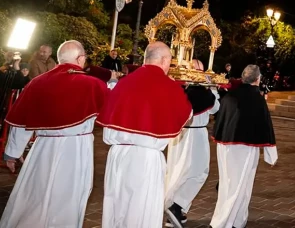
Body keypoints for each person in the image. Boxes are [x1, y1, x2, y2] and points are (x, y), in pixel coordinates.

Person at [0, 40, 108, 228]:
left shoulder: (37, 82)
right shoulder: (93, 84)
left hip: (42, 148)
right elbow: (114, 111)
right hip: (76, 149)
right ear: (81, 58)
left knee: (36, 193)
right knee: (70, 196)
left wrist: (13, 153)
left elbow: (21, 121)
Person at [97, 41, 192, 228]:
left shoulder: (124, 82)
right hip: (146, 159)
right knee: (142, 211)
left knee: (116, 206)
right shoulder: (167, 85)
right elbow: (187, 117)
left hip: (117, 155)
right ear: (164, 60)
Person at [210, 64, 277, 228]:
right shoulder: (257, 99)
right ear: (258, 79)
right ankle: (221, 223)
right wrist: (271, 153)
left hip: (225, 146)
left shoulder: (231, 96)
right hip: (245, 148)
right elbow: (265, 125)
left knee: (229, 183)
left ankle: (238, 220)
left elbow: (221, 118)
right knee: (239, 186)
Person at [164, 84, 220, 228]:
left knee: (176, 171)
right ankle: (176, 205)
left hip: (178, 135)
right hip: (196, 136)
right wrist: (214, 90)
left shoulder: (181, 93)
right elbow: (216, 108)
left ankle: (174, 209)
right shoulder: (207, 95)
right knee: (199, 172)